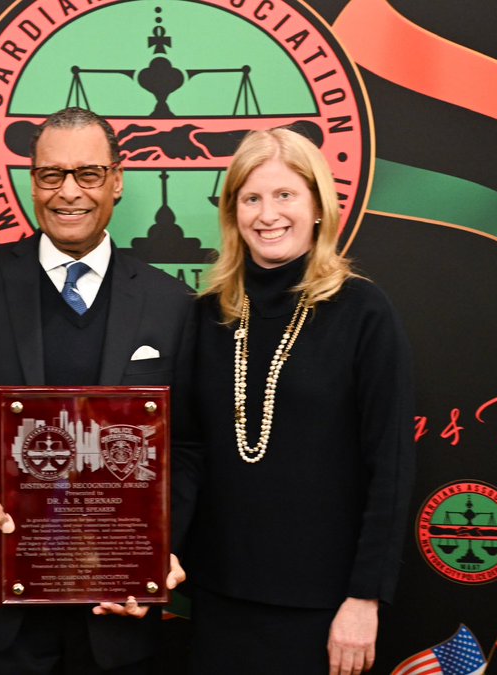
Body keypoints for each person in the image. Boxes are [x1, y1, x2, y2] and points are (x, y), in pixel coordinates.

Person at [0, 107, 192, 674]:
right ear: (31, 181)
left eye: (88, 174)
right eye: (51, 175)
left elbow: (188, 447)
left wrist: (160, 548)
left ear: (117, 180)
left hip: (116, 613)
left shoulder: (171, 304)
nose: (69, 192)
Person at [171, 127, 415, 674]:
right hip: (219, 597)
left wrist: (364, 599)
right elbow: (187, 449)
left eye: (285, 196)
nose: (267, 214)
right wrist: (154, 548)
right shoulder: (207, 314)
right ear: (233, 213)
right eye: (251, 198)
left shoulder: (363, 312)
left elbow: (391, 467)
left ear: (319, 207)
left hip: (325, 605)